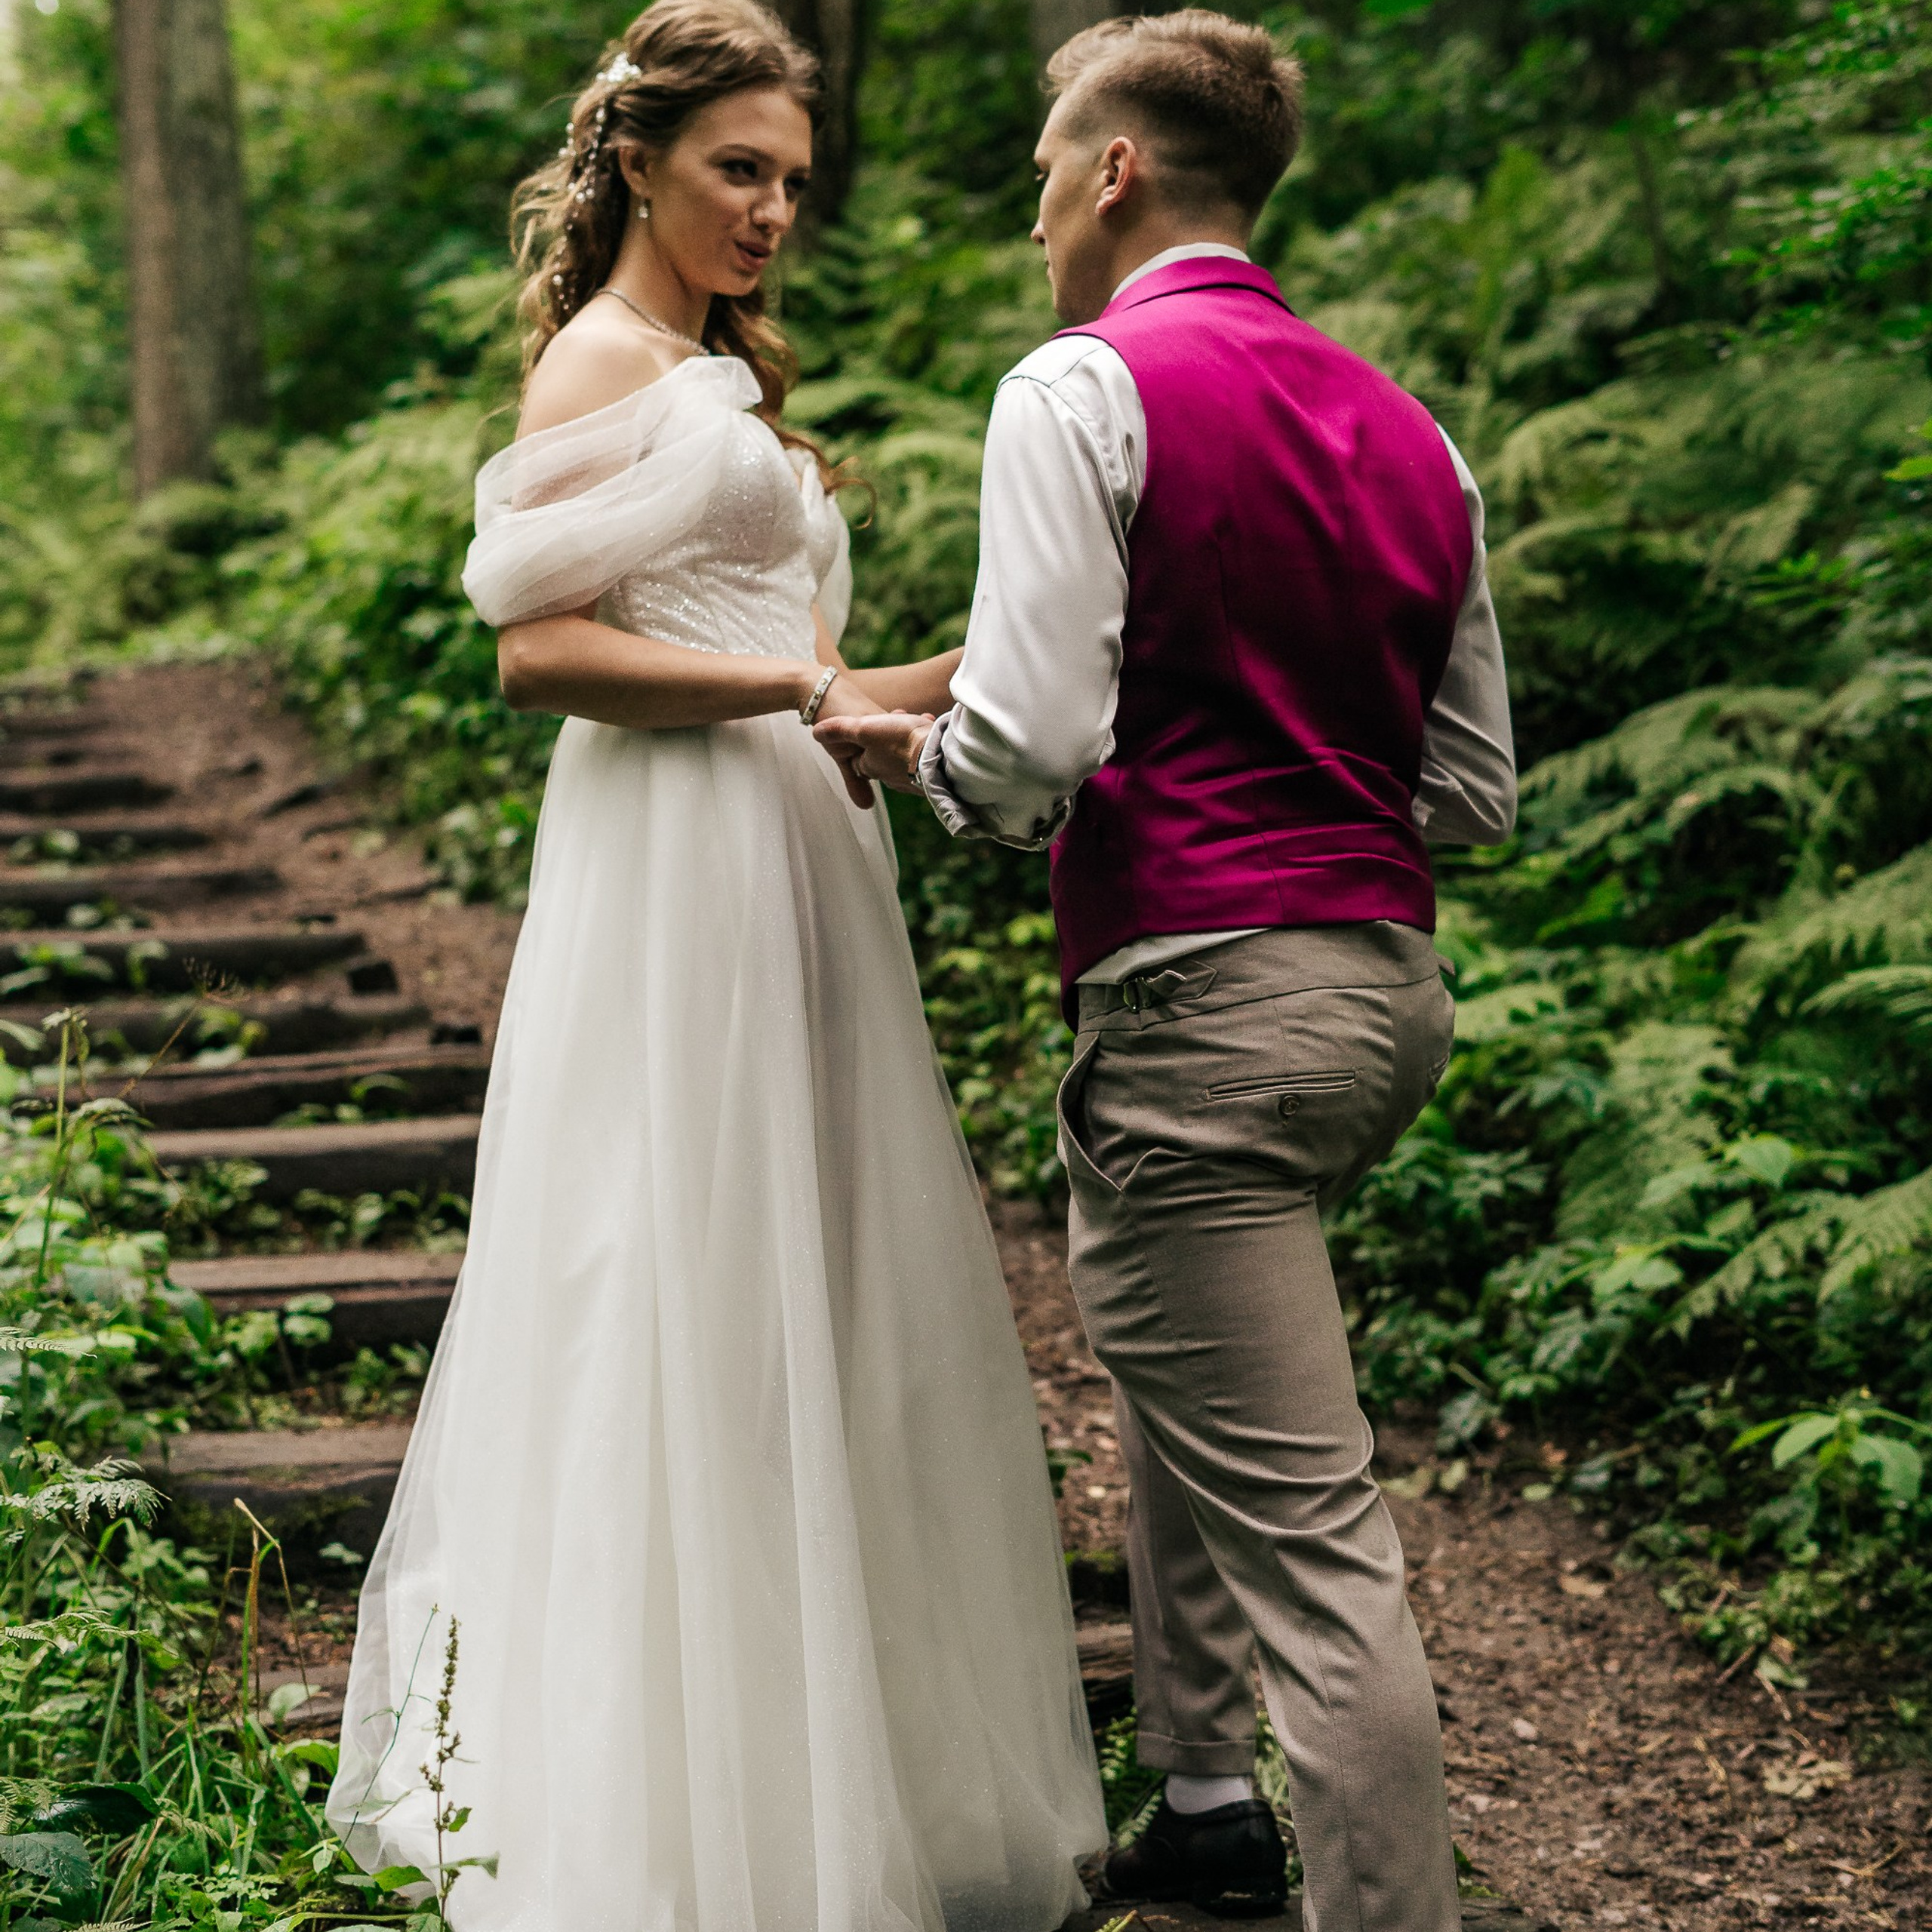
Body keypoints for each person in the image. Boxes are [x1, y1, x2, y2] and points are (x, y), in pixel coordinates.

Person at [325, 5, 1106, 1925]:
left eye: (789, 183)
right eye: (737, 170)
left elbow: (806, 653)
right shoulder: (600, 358)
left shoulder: (708, 364)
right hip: (673, 859)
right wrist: (790, 681)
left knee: (811, 1284)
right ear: (639, 161)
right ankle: (665, 1807)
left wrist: (1011, 655)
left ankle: (836, 1772)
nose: (769, 210)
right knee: (679, 1276)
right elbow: (540, 651)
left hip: (795, 852)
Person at [815, 11, 1517, 1928]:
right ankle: (1203, 1794)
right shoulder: (1411, 429)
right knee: (1199, 1375)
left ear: (1113, 170)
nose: (1037, 201)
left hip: (1202, 1006)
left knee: (1310, 1526)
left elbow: (1030, 744)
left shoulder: (1077, 390)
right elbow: (1465, 790)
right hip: (1378, 996)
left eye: (1048, 160)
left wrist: (924, 758)